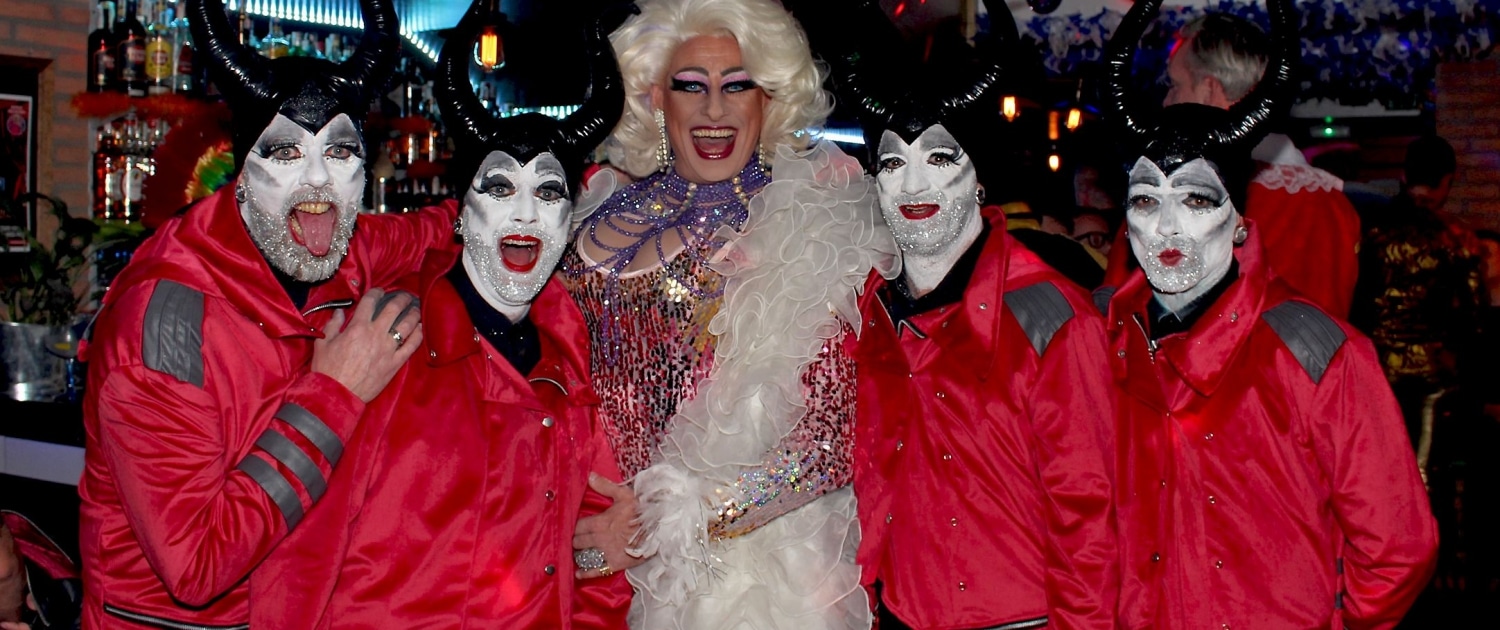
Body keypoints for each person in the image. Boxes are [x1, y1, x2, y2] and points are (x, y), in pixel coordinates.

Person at [247, 2, 636, 627]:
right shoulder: (382, 343)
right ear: (460, 211)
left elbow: (599, 552)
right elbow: (298, 562)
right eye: (500, 188)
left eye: (549, 192)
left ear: (571, 220)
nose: (525, 214)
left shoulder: (570, 360)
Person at [77, 0, 457, 627]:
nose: (319, 180)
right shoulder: (167, 326)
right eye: (285, 154)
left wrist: (578, 200)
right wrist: (335, 393)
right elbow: (196, 565)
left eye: (340, 152)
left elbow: (444, 229)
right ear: (242, 169)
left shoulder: (344, 249)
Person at [561, 0, 898, 626]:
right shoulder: (589, 212)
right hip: (577, 552)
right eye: (692, 86)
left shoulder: (808, 221)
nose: (714, 110)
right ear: (656, 97)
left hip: (734, 570)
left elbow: (828, 441)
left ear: (768, 101)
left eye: (737, 86)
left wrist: (660, 524)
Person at [1102, 1, 1438, 628]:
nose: (1167, 224)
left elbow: (1393, 542)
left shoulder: (1318, 339)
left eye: (1172, 84)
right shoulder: (1107, 337)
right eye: (1144, 202)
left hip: (1285, 507)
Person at [796, 1, 1119, 627]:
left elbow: (1091, 518)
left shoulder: (1050, 318)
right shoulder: (867, 311)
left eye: (939, 159)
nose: (913, 185)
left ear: (978, 177)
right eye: (893, 163)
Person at [1143, 7, 1363, 318]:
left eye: (1175, 85)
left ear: (1208, 90)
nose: (1167, 101)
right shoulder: (1332, 203)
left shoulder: (1194, 197)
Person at [1350, 135, 1485, 448]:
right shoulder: (1457, 238)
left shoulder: (1367, 230)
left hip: (1374, 366)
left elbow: (1352, 298)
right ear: (1447, 181)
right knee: (1423, 464)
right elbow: (1474, 319)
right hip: (1433, 373)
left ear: (1404, 175)